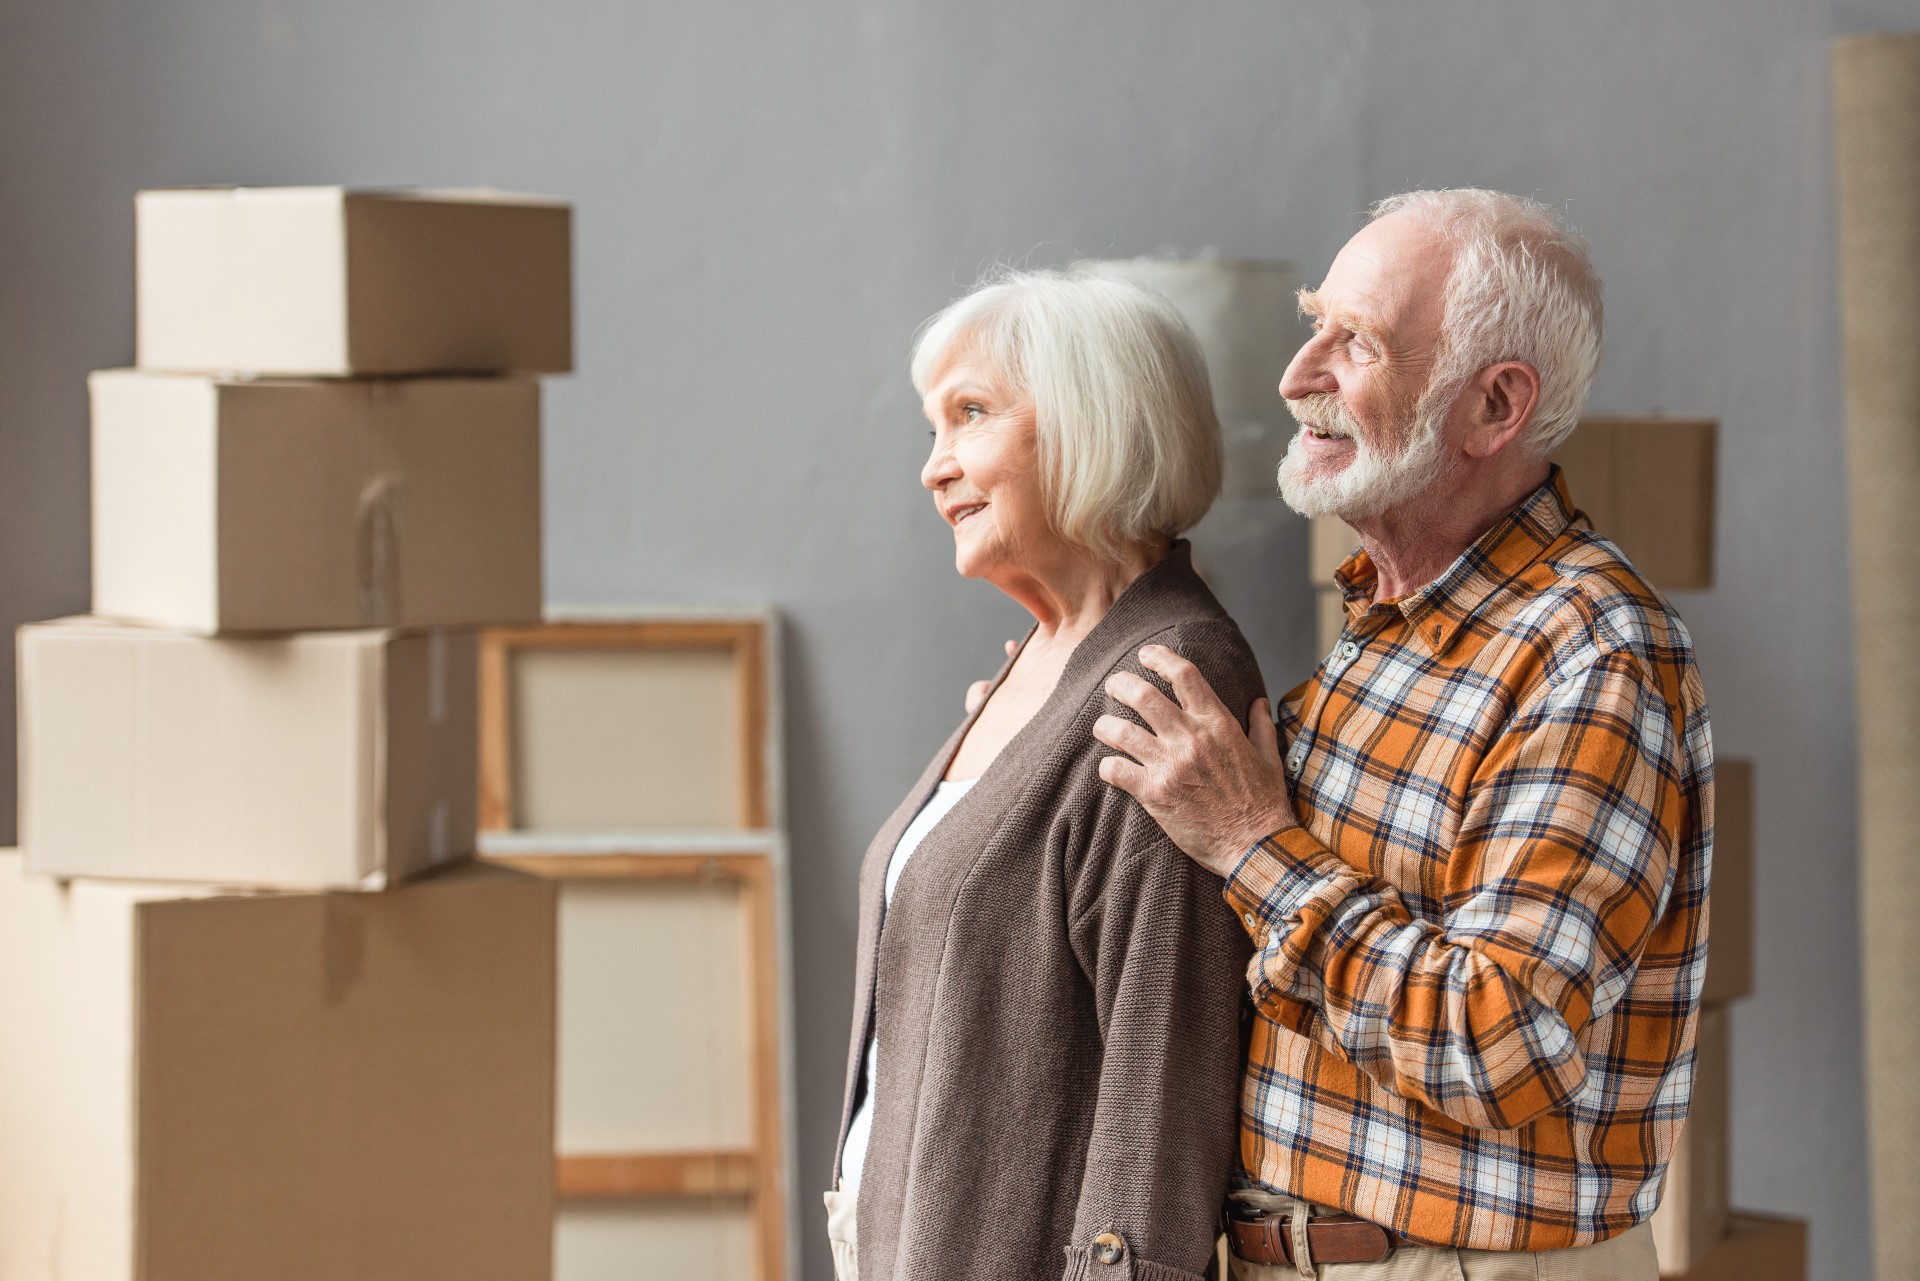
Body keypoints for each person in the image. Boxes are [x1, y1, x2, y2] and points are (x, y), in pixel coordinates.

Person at [1092, 190, 1711, 1280]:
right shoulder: (1382, 628)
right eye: (1311, 322)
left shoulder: (1593, 656)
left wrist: (1251, 842)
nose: (1296, 376)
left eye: (1356, 341)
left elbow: (1496, 1043)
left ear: (1492, 408)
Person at [827, 267, 1266, 1281]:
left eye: (970, 416)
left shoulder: (1167, 676)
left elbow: (1164, 1068)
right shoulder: (1041, 660)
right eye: (930, 431)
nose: (935, 469)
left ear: (1091, 423)